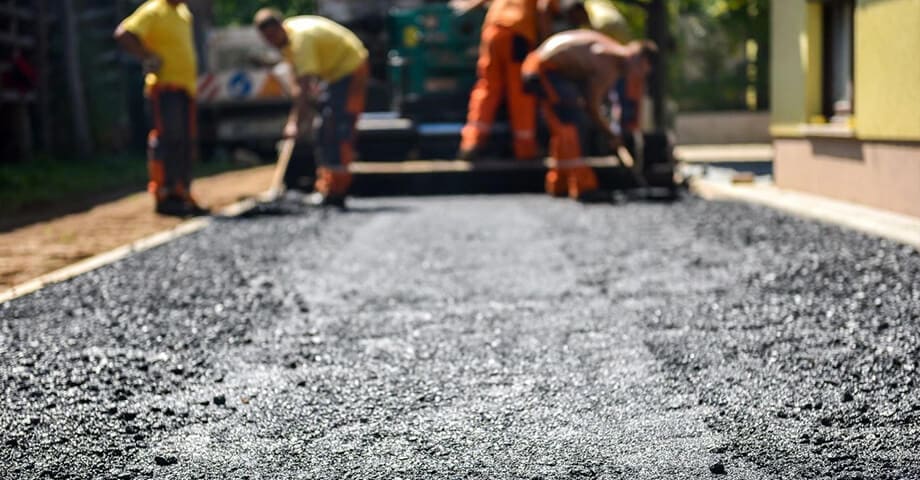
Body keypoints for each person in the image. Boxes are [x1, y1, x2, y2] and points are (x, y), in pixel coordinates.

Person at [521, 29, 656, 201]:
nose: (637, 77)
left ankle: (560, 183)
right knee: (573, 124)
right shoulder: (608, 63)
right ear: (639, 59)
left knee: (562, 127)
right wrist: (610, 134)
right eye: (642, 72)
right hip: (542, 68)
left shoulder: (610, 50)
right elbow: (591, 106)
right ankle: (583, 185)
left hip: (542, 67)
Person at [254, 8, 368, 208]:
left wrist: (295, 123)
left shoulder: (301, 40)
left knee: (336, 128)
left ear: (280, 27)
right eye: (267, 39)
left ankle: (336, 190)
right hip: (334, 75)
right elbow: (297, 80)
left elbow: (304, 87)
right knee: (324, 128)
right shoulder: (288, 40)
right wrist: (297, 119)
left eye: (272, 36)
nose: (271, 42)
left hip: (349, 69)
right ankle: (327, 187)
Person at [115, 0, 208, 217]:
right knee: (169, 139)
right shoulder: (154, 9)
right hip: (165, 89)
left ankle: (181, 190)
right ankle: (164, 194)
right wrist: (147, 56)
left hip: (186, 89)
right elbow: (124, 33)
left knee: (185, 141)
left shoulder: (184, 12)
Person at [451, 0, 559, 161]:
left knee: (487, 87)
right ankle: (526, 149)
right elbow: (544, 9)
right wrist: (547, 44)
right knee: (521, 91)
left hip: (492, 30)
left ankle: (471, 143)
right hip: (517, 33)